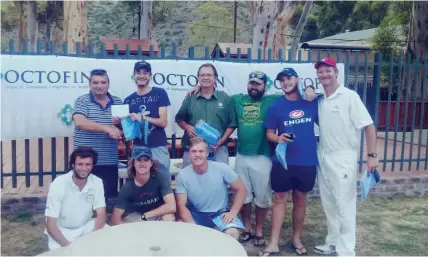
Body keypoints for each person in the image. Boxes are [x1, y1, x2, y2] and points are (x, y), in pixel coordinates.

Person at [186, 71, 317, 246]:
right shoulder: (237, 99)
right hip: (242, 155)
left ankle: (259, 230)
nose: (254, 87)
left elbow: (294, 91)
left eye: (258, 84)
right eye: (252, 83)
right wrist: (200, 87)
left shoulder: (273, 100)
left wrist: (309, 87)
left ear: (265, 86)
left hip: (262, 156)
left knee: (262, 197)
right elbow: (213, 93)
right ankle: (247, 227)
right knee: (244, 195)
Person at [313, 58, 378, 257]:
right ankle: (333, 242)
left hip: (343, 158)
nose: (324, 75)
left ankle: (346, 250)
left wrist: (372, 155)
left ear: (336, 73)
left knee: (344, 205)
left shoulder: (350, 96)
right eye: (321, 72)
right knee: (329, 204)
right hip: (323, 157)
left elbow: (369, 126)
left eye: (328, 71)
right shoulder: (320, 99)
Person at [261, 68, 319, 256]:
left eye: (289, 78)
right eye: (282, 80)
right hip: (283, 161)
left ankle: (296, 239)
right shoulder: (276, 106)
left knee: (300, 200)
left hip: (307, 161)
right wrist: (278, 138)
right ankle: (273, 243)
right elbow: (269, 132)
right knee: (279, 200)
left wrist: (310, 88)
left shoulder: (312, 103)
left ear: (297, 79)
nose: (286, 82)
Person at [175, 137, 247, 239]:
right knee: (180, 231)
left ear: (207, 153)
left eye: (201, 151)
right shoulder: (183, 174)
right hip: (196, 214)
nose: (197, 154)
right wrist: (193, 226)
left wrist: (233, 212)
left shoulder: (222, 168)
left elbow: (241, 189)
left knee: (232, 234)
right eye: (194, 151)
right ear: (189, 154)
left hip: (220, 214)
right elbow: (181, 205)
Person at [45, 146, 108, 250]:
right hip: (62, 231)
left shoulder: (97, 182)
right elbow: (51, 224)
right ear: (73, 165)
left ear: (92, 166)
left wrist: (93, 237)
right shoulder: (58, 184)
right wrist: (68, 246)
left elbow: (101, 214)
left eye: (88, 164)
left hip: (86, 227)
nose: (84, 168)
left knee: (108, 243)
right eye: (80, 164)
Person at [72, 69, 122, 200]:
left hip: (109, 160)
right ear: (89, 84)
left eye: (102, 82)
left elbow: (125, 130)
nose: (99, 86)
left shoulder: (117, 102)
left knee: (107, 199)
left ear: (108, 84)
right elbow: (80, 122)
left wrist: (119, 130)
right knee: (81, 198)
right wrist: (107, 128)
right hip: (84, 161)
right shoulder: (82, 101)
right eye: (95, 82)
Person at [175, 63, 237, 167]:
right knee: (192, 181)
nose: (205, 78)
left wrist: (221, 141)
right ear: (198, 78)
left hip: (218, 149)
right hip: (194, 149)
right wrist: (187, 127)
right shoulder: (190, 97)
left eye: (209, 75)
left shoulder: (225, 98)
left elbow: (232, 123)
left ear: (215, 78)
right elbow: (179, 119)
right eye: (202, 75)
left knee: (219, 181)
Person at [123, 60, 171, 173]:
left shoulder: (159, 93)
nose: (141, 76)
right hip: (138, 148)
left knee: (162, 182)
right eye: (138, 72)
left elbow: (163, 122)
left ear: (150, 76)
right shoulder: (128, 100)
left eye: (145, 73)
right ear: (134, 75)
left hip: (158, 147)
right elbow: (128, 131)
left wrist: (143, 118)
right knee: (140, 183)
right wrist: (117, 123)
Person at [110, 146, 176, 224]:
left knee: (168, 218)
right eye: (138, 160)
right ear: (133, 163)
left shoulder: (160, 178)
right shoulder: (127, 187)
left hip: (156, 214)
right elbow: (115, 218)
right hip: (135, 219)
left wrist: (145, 216)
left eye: (146, 160)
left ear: (151, 163)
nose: (142, 163)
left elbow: (172, 206)